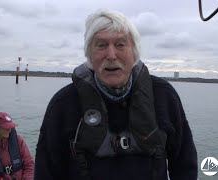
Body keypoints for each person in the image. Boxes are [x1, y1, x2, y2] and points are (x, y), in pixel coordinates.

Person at [35, 9, 197, 180]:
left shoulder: (164, 97)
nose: (111, 55)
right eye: (101, 45)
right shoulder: (63, 105)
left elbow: (185, 165)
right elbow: (46, 172)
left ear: (134, 52)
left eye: (120, 44)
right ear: (89, 54)